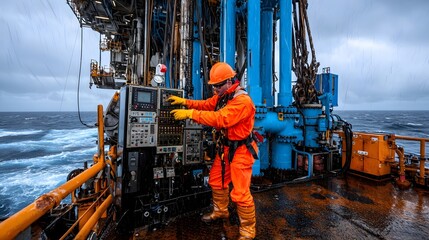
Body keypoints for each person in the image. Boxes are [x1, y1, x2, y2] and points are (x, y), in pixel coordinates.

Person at [168, 62, 258, 240]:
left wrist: (190, 114)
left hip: (241, 151)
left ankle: (248, 231)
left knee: (240, 193)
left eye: (218, 85)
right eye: (213, 86)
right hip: (225, 148)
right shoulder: (224, 96)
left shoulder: (242, 101)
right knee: (216, 181)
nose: (215, 89)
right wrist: (185, 102)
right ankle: (220, 211)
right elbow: (207, 105)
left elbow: (221, 119)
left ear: (229, 81)